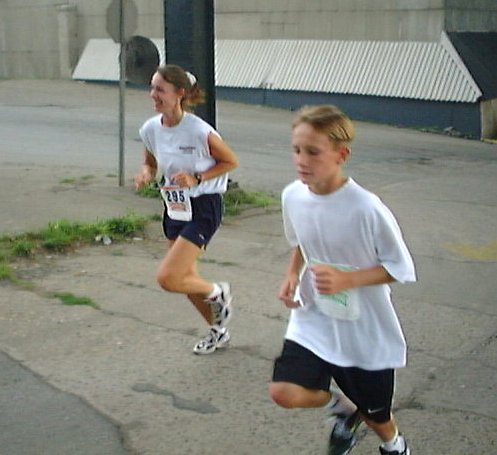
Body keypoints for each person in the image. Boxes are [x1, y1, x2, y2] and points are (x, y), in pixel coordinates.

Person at [268, 105, 416, 455]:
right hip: (314, 316)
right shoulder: (293, 196)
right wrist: (291, 274)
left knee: (377, 415)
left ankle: (394, 445)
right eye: (296, 150)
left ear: (341, 155)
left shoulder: (366, 208)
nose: (301, 160)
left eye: (313, 152)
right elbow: (301, 241)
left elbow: (400, 267)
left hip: (363, 326)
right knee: (284, 392)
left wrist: (348, 279)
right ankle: (344, 406)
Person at [134, 64, 239, 355]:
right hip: (174, 205)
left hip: (203, 205)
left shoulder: (199, 131)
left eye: (160, 89)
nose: (153, 95)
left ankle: (217, 291)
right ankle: (218, 331)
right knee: (184, 279)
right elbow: (151, 162)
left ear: (179, 93)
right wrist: (145, 173)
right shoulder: (150, 129)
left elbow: (230, 161)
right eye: (152, 88)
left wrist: (198, 177)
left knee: (168, 278)